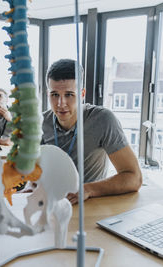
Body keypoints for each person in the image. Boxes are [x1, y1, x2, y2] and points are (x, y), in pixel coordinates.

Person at [41, 59, 142, 204]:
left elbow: (134, 177)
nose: (61, 104)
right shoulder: (42, 122)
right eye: (55, 94)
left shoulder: (103, 119)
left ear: (82, 93)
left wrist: (88, 189)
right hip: (52, 204)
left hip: (89, 205)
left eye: (69, 94)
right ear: (47, 93)